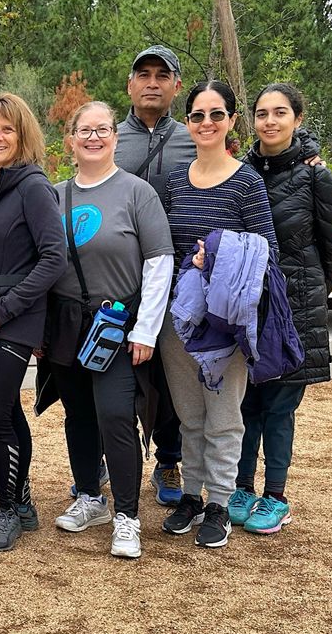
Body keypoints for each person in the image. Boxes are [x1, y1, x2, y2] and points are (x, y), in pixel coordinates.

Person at [45, 102, 174, 560]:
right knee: (78, 413)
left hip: (118, 324)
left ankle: (127, 516)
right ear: (71, 139)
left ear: (116, 138)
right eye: (85, 130)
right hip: (66, 323)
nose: (94, 137)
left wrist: (146, 330)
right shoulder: (54, 195)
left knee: (116, 415)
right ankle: (89, 496)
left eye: (103, 129)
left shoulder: (138, 193)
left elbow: (160, 262)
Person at [158, 80, 278, 549]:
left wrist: (219, 255)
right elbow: (163, 249)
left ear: (231, 121)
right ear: (187, 122)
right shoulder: (173, 184)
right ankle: (191, 494)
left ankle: (220, 503)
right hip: (179, 318)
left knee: (224, 415)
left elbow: (266, 248)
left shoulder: (247, 181)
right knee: (189, 415)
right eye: (197, 115)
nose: (206, 123)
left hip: (226, 321)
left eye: (215, 114)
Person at [228, 83, 332, 534]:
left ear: (297, 118)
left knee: (279, 408)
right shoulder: (240, 173)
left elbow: (331, 250)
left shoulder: (318, 176)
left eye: (280, 113)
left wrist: (306, 295)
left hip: (294, 309)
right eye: (262, 113)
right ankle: (241, 487)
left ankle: (275, 494)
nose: (270, 121)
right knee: (245, 404)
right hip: (248, 308)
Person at [0, 93, 67, 553]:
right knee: (6, 410)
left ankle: (7, 509)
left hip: (15, 315)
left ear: (23, 136)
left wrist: (5, 308)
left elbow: (53, 257)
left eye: (7, 129)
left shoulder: (32, 186)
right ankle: (21, 501)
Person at [116, 45, 195, 508]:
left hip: (180, 278)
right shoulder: (109, 138)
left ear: (175, 86)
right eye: (142, 74)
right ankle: (113, 454)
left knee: (169, 377)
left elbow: (238, 174)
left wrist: (307, 156)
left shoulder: (194, 138)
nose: (151, 82)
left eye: (161, 75)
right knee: (114, 369)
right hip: (119, 280)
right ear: (130, 84)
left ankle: (168, 457)